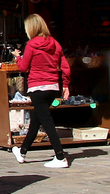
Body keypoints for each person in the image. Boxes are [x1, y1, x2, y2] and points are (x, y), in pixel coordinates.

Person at [13, 13, 71, 168]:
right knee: (36, 121)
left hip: (37, 87)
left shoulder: (31, 45)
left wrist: (17, 58)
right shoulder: (55, 44)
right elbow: (65, 66)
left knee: (47, 122)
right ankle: (22, 151)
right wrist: (65, 85)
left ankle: (60, 156)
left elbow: (23, 67)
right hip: (53, 88)